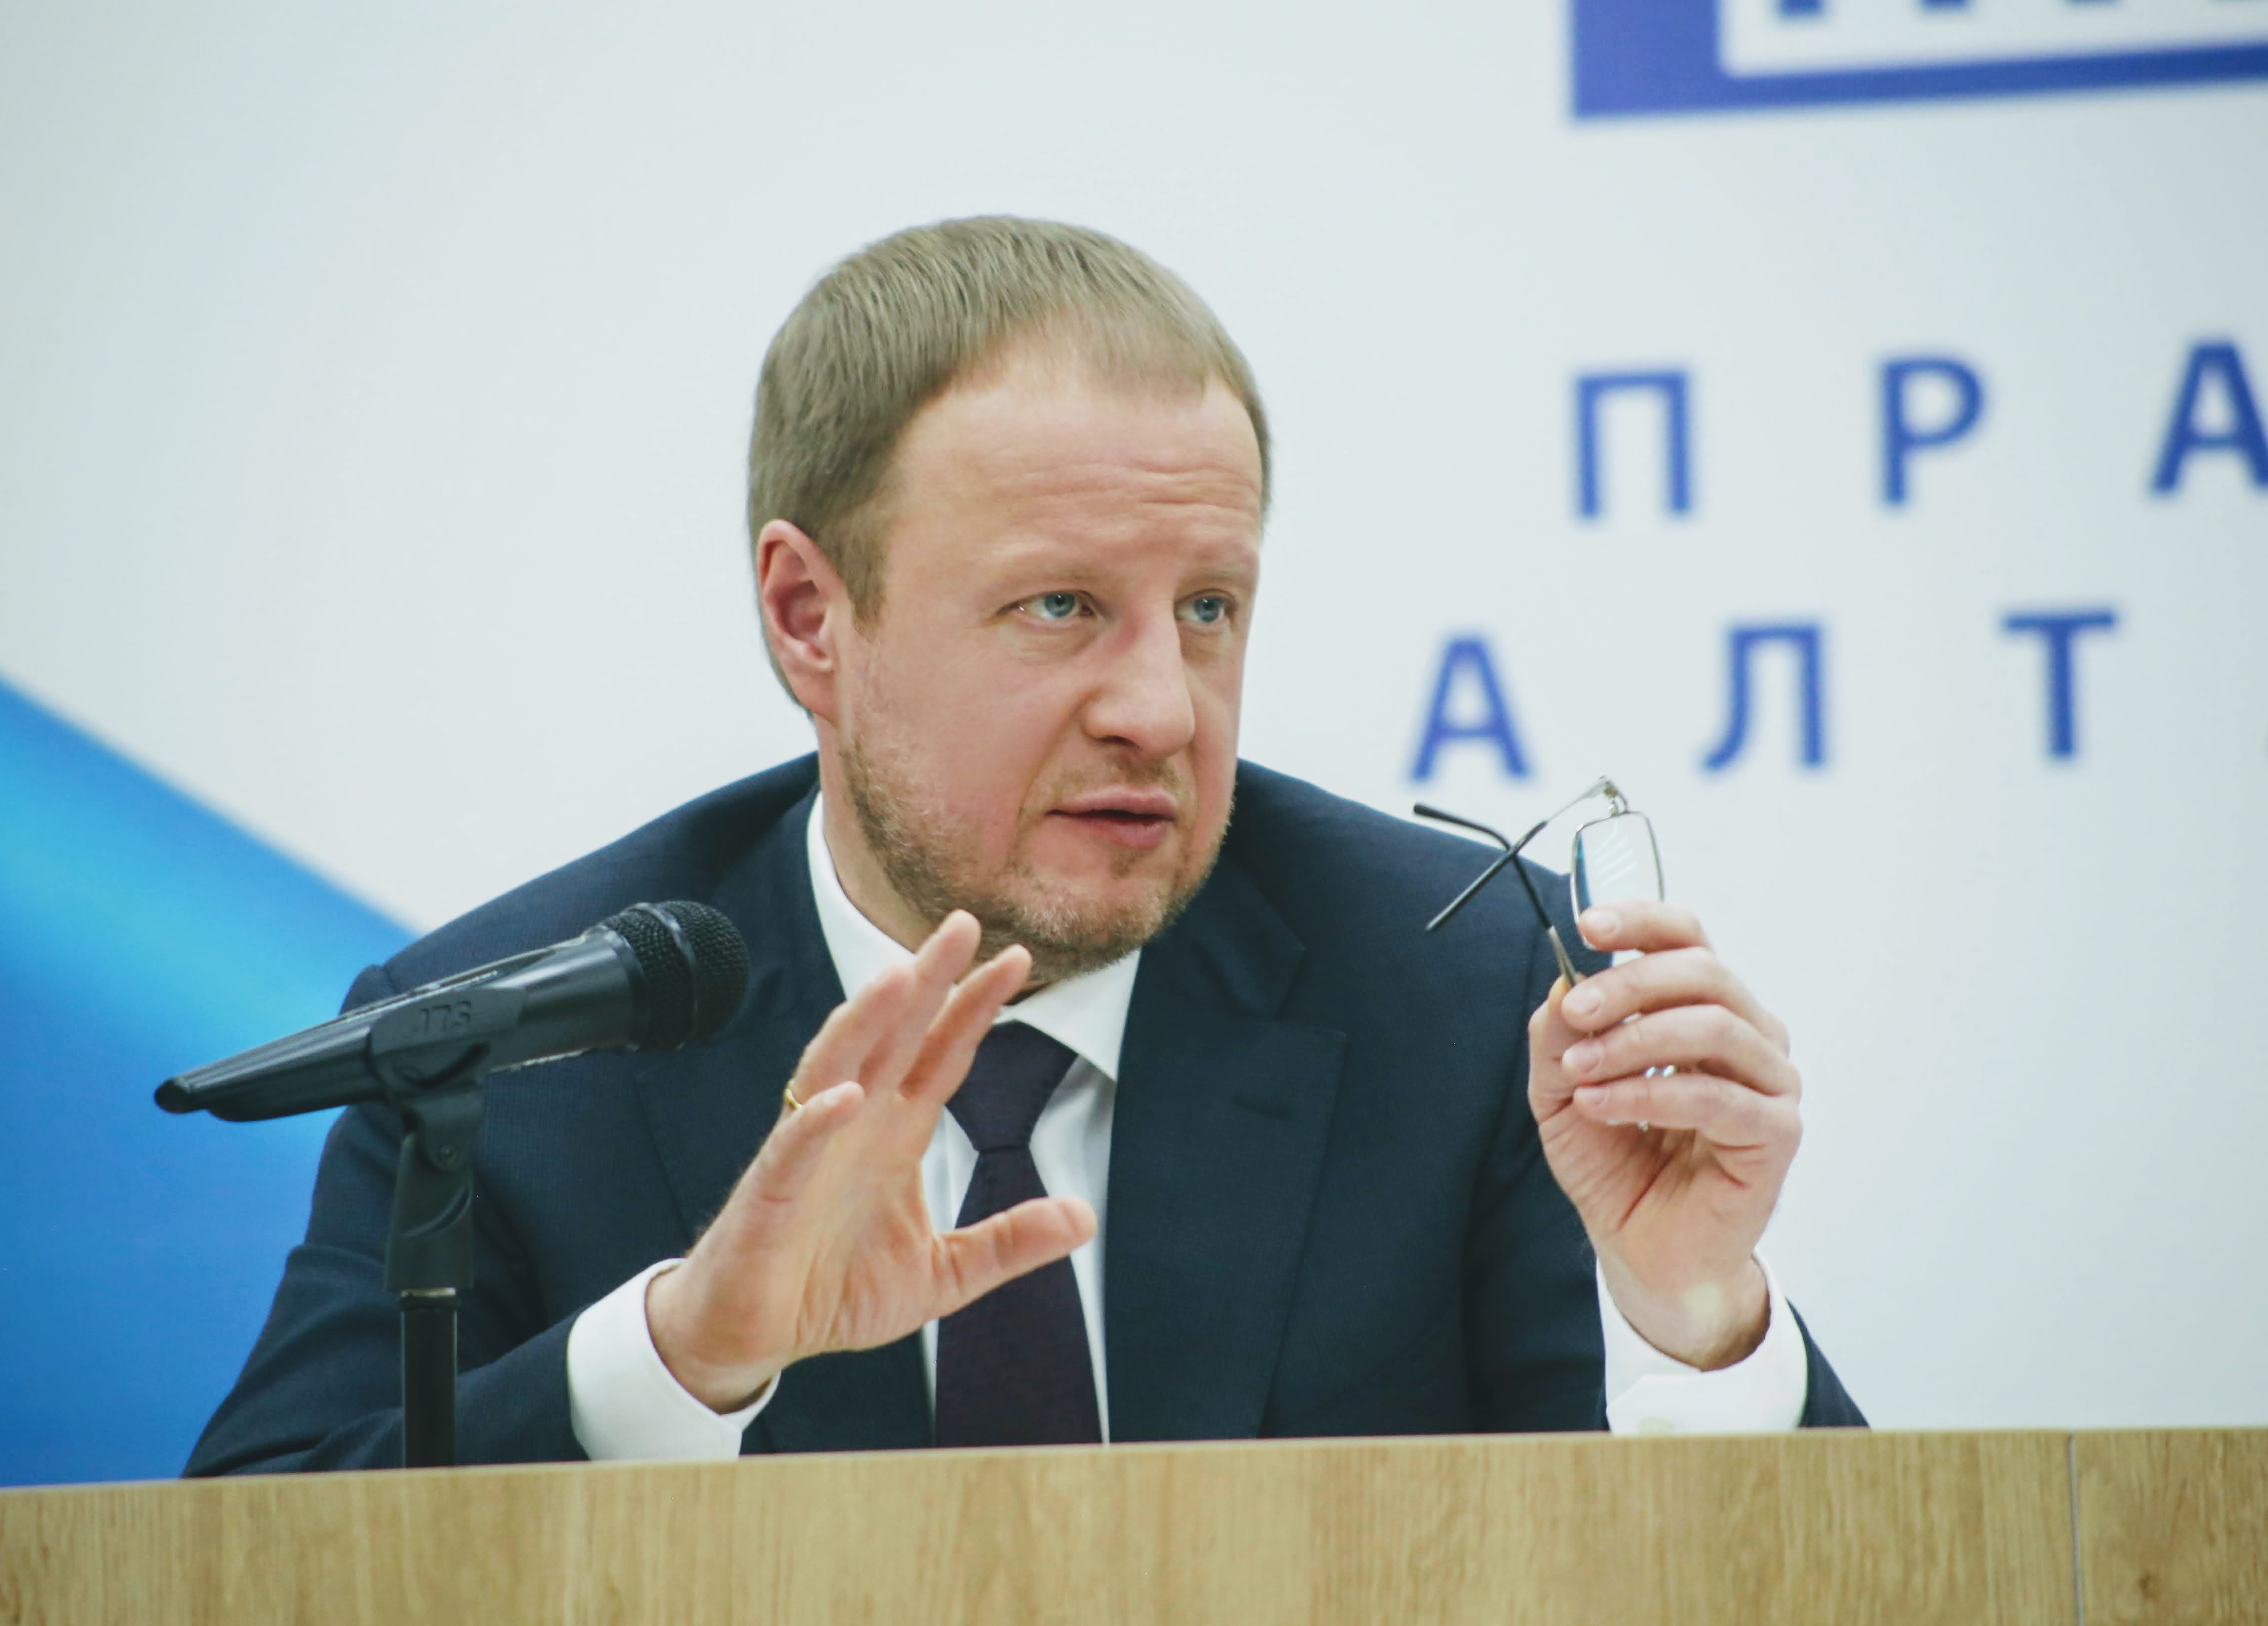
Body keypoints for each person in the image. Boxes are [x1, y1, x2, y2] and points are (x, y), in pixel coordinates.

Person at [187, 218, 1860, 1473]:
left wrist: (1694, 1320)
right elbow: (248, 1550)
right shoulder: (514, 1047)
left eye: (1208, 609)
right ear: (809, 616)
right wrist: (681, 1356)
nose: (1161, 709)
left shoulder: (1469, 983)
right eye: (1059, 606)